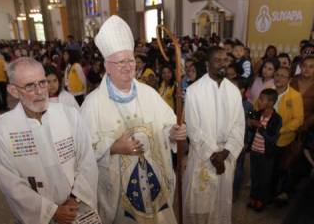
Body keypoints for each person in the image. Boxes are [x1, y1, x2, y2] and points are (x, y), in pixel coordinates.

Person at [81, 15, 186, 224]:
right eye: (120, 61)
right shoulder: (92, 104)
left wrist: (173, 133)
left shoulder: (149, 93)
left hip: (155, 184)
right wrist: (113, 148)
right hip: (120, 194)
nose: (127, 66)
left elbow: (167, 125)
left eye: (130, 60)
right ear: (106, 66)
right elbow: (82, 150)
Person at [0, 57, 98, 224]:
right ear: (13, 91)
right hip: (39, 215)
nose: (39, 91)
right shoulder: (1, 130)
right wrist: (51, 211)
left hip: (77, 207)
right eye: (30, 86)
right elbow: (10, 183)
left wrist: (75, 199)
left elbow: (87, 160)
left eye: (42, 82)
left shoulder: (69, 115)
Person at [183, 46, 245, 224]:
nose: (223, 64)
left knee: (221, 203)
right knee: (201, 205)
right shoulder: (194, 91)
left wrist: (225, 152)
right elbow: (193, 129)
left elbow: (239, 125)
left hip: (226, 155)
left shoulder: (233, 91)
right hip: (204, 156)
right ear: (207, 64)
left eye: (225, 60)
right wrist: (213, 156)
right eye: (217, 60)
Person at [272, 67, 304, 203]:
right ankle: (269, 192)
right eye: (277, 75)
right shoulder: (269, 92)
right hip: (267, 138)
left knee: (282, 167)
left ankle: (281, 192)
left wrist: (282, 129)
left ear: (289, 79)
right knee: (269, 167)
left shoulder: (295, 95)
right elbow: (258, 108)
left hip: (284, 138)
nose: (279, 78)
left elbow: (299, 119)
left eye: (283, 76)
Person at [247, 89, 282, 212]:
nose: (259, 101)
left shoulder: (277, 119)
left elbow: (273, 139)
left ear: (271, 103)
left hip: (266, 154)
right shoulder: (258, 113)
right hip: (254, 151)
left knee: (265, 178)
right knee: (255, 176)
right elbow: (251, 126)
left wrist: (261, 128)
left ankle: (261, 200)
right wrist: (250, 123)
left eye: (262, 99)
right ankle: (253, 197)